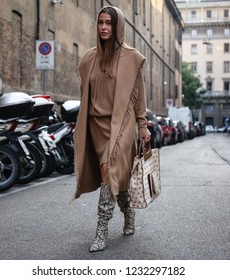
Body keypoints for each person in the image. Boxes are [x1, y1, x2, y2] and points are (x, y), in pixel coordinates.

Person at [73, 6, 151, 252]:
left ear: (118, 27)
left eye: (109, 23)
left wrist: (142, 126)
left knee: (108, 170)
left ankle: (101, 231)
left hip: (122, 125)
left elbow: (139, 98)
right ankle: (128, 213)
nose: (104, 27)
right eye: (100, 22)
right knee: (116, 180)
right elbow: (85, 94)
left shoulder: (132, 57)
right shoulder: (88, 59)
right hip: (97, 127)